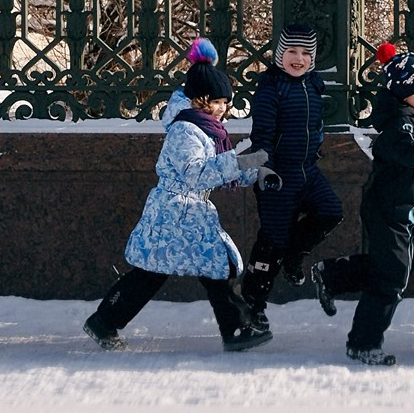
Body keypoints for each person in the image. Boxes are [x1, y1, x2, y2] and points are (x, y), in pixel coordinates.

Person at [82, 39, 279, 352]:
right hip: (174, 212)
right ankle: (237, 330)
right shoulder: (185, 129)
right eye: (219, 102)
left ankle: (105, 321)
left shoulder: (206, 128)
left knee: (178, 271)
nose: (225, 108)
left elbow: (219, 168)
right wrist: (240, 162)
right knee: (182, 271)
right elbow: (196, 172)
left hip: (188, 212)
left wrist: (255, 173)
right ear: (202, 100)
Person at [309, 43, 414, 365]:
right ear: (406, 92)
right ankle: (363, 342)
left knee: (392, 270)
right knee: (392, 279)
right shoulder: (399, 127)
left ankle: (333, 275)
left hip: (402, 213)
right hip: (388, 213)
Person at [240, 23, 344, 332]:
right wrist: (265, 168)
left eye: (305, 53)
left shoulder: (313, 84)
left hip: (308, 171)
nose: (298, 59)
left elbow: (314, 126)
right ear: (279, 54)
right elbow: (262, 136)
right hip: (278, 175)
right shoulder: (272, 87)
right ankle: (252, 304)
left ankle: (294, 256)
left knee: (330, 211)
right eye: (291, 52)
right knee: (272, 241)